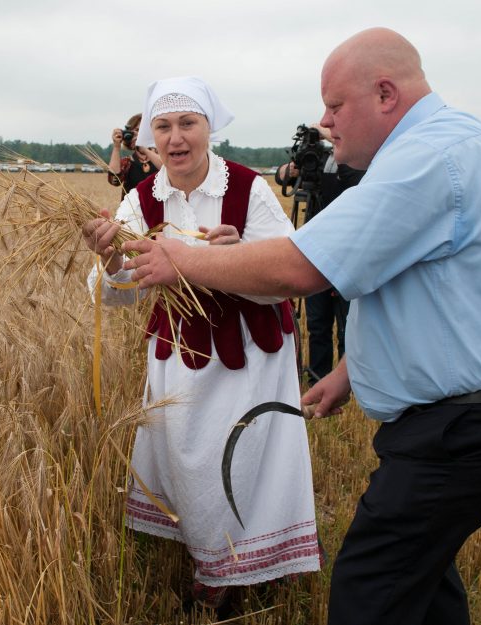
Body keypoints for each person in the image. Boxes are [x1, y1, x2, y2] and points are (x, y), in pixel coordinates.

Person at [121, 28, 481, 625]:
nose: (324, 121)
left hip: (462, 428)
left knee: (369, 590)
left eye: (334, 104)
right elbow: (445, 296)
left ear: (385, 93)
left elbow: (301, 265)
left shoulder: (425, 160)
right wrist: (351, 374)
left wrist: (184, 260)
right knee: (424, 586)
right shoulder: (465, 142)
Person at [81, 77, 321, 612]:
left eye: (188, 124)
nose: (176, 138)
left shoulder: (247, 189)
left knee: (249, 455)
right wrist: (111, 258)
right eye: (163, 127)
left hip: (251, 352)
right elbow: (111, 296)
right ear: (151, 137)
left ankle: (247, 566)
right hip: (182, 353)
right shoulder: (142, 198)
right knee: (191, 456)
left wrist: (241, 252)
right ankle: (210, 558)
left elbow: (291, 263)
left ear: (210, 128)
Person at [275, 124, 365, 383]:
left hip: (346, 248)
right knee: (317, 321)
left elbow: (357, 178)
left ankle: (349, 379)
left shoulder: (353, 159)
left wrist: (334, 139)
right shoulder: (316, 156)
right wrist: (294, 165)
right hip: (315, 248)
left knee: (348, 322)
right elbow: (283, 178)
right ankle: (318, 375)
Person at [106, 113, 162, 198]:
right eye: (135, 131)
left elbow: (170, 171)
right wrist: (117, 146)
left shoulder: (163, 157)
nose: (138, 134)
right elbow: (114, 180)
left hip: (159, 209)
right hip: (132, 210)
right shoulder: (127, 162)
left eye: (141, 130)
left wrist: (145, 149)